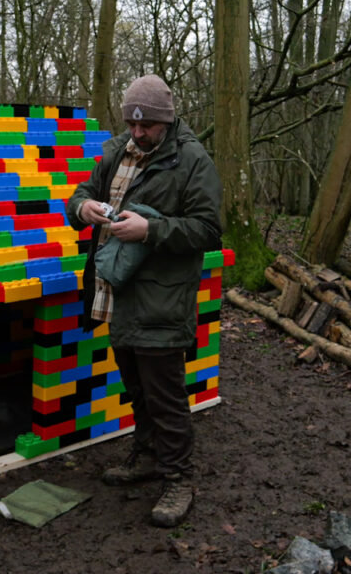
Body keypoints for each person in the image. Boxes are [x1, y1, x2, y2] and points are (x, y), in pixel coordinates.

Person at [65, 74, 223, 527]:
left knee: (165, 395)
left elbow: (208, 229)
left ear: (165, 122)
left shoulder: (191, 160)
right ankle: (148, 456)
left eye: (147, 126)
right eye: (132, 124)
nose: (138, 133)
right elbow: (78, 196)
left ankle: (179, 479)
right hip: (115, 294)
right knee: (136, 387)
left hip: (162, 300)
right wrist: (84, 210)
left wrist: (150, 230)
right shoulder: (115, 151)